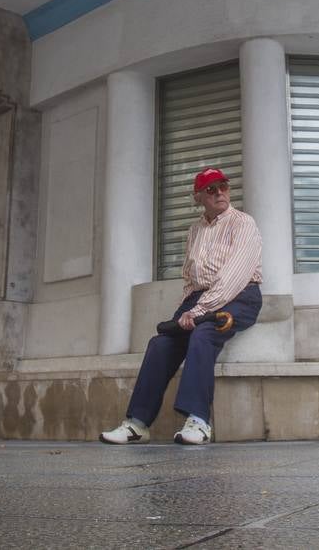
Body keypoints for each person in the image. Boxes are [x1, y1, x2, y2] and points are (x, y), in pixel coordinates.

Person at [101, 167, 262, 446]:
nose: (220, 192)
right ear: (198, 196)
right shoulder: (195, 230)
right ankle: (137, 424)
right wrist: (186, 308)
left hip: (239, 296)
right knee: (160, 344)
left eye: (223, 185)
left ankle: (198, 421)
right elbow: (191, 277)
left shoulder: (243, 223)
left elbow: (233, 278)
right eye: (211, 189)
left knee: (203, 334)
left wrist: (198, 312)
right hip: (199, 298)